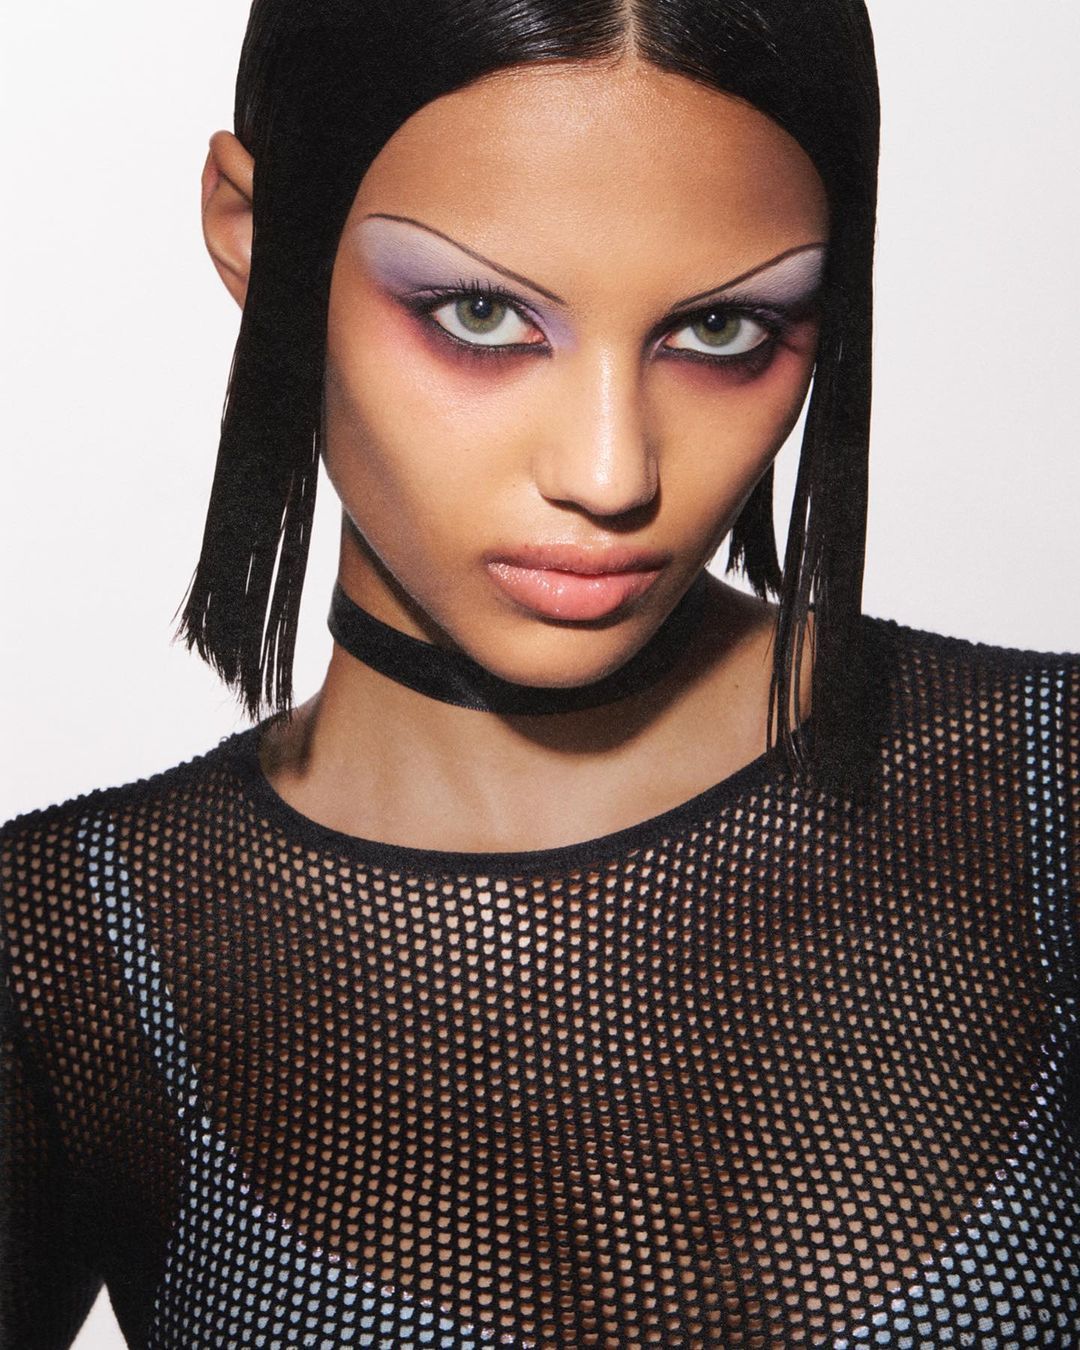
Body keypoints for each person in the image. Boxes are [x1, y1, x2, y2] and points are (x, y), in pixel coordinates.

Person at [2, 1, 1078, 1347]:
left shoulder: (1052, 785)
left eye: (725, 330)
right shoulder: (62, 950)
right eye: (480, 313)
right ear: (255, 235)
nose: (611, 474)